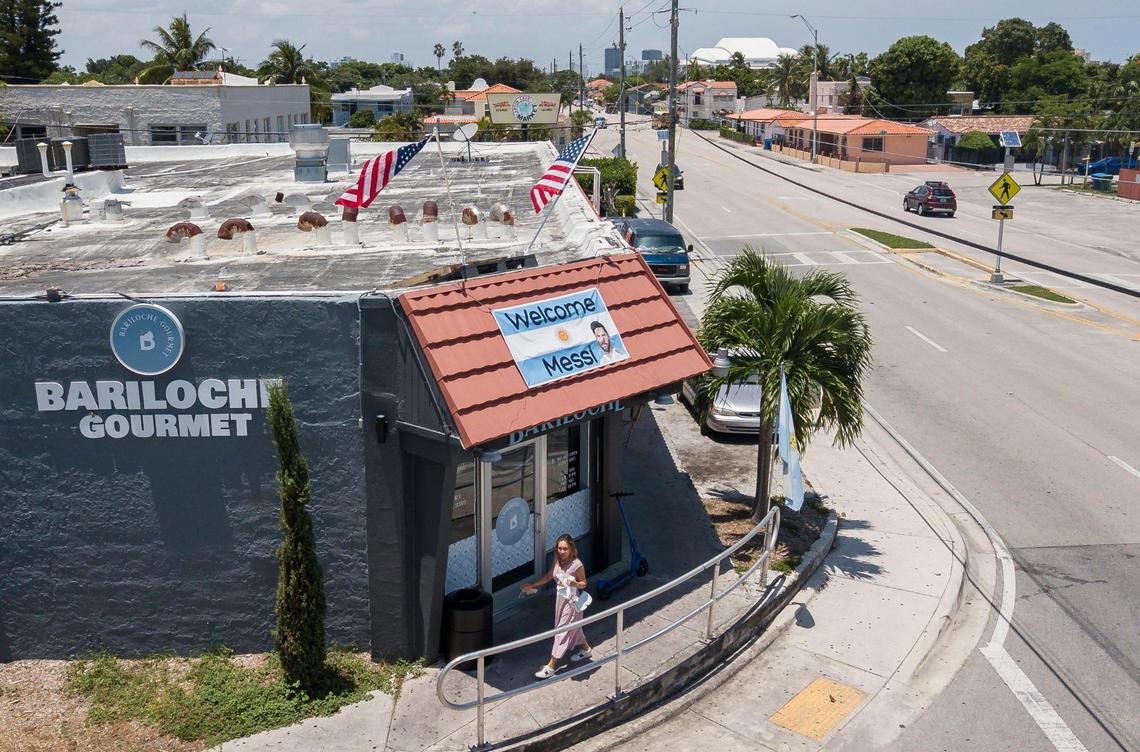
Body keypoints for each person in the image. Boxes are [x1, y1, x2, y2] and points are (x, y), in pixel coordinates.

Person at [521, 533, 593, 678]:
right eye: (559, 548)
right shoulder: (557, 561)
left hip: (572, 602)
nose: (562, 551)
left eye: (565, 549)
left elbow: (584, 583)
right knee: (574, 627)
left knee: (561, 631)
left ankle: (551, 666)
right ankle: (586, 650)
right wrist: (533, 585)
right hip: (560, 600)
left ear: (571, 549)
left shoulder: (577, 564)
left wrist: (574, 582)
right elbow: (549, 576)